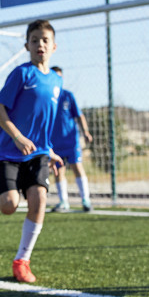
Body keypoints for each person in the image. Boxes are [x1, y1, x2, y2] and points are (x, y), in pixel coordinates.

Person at [0, 19, 63, 283]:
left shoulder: (57, 80)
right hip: (10, 150)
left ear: (54, 46)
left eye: (45, 40)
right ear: (26, 46)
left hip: (38, 152)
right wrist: (18, 137)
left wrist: (49, 150)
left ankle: (22, 260)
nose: (40, 44)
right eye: (34, 40)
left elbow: (44, 121)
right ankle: (1, 189)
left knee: (39, 198)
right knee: (9, 206)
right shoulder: (22, 74)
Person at [48, 66, 94, 213]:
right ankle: (63, 202)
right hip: (54, 143)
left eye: (59, 77)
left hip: (71, 141)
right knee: (58, 171)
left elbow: (79, 115)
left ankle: (86, 200)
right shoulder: (47, 96)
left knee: (77, 167)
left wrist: (85, 131)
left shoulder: (68, 96)